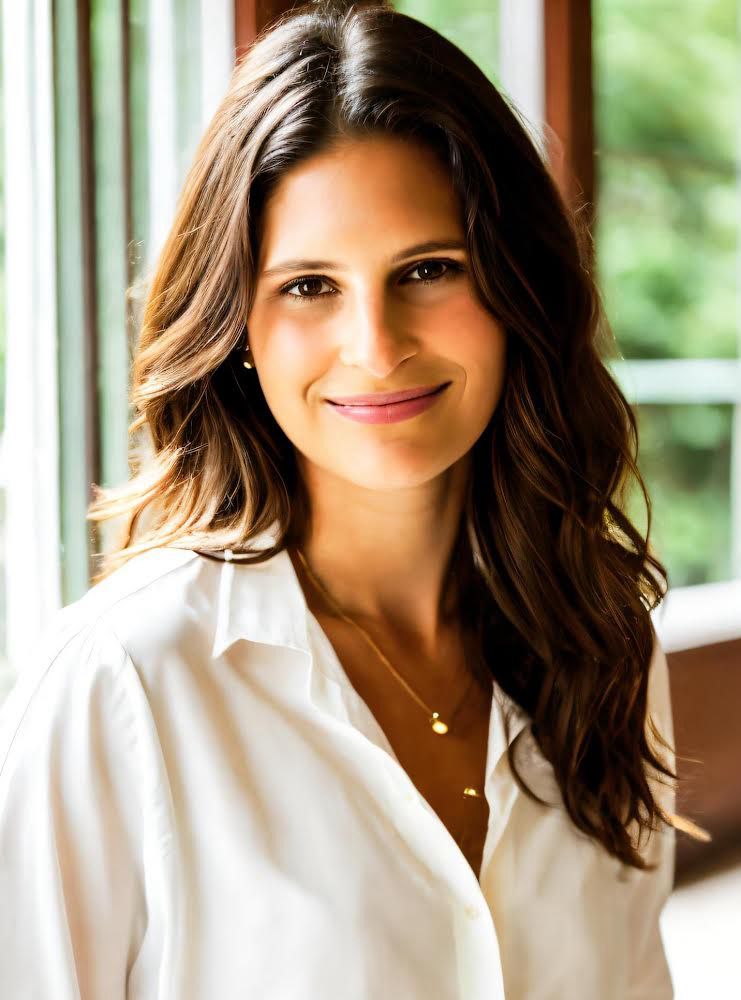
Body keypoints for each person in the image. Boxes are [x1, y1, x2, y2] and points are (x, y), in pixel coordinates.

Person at [0, 1, 699, 997]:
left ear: (516, 291)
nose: (375, 346)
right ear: (237, 323)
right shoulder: (123, 684)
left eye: (428, 269)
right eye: (308, 286)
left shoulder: (603, 645)